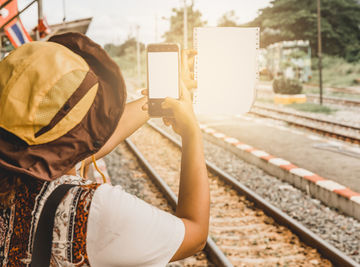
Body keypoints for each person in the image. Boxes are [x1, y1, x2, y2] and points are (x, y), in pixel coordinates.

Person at [0, 32, 210, 266]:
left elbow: (79, 146)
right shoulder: (92, 211)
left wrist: (158, 100)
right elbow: (195, 234)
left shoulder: (16, 167)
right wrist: (192, 132)